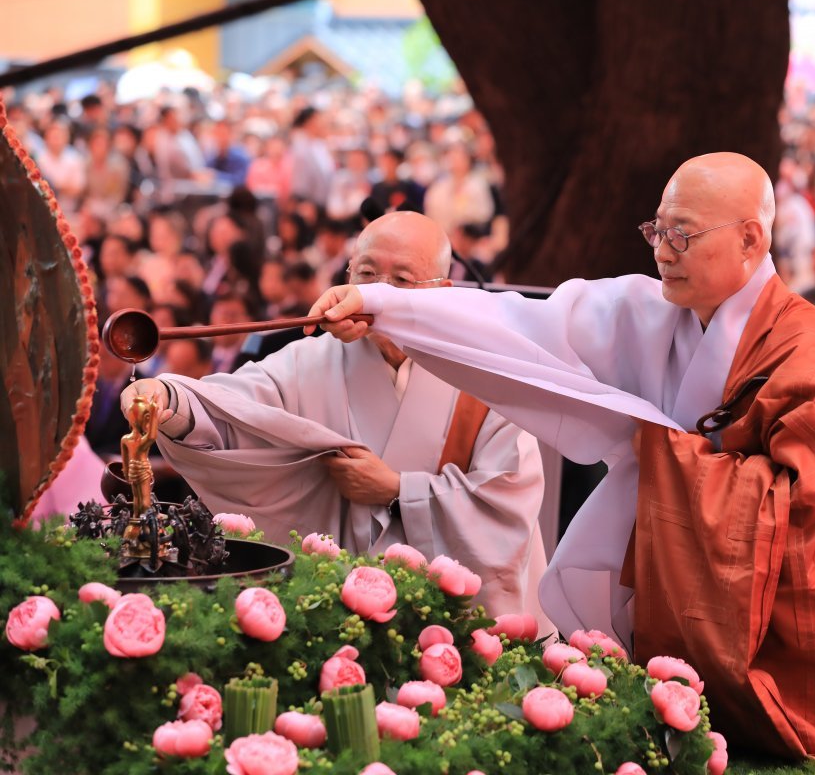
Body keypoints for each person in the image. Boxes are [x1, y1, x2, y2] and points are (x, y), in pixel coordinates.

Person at [308, 153, 815, 772]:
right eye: (657, 231)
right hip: (682, 601)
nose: (663, 251)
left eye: (682, 233)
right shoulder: (654, 314)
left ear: (750, 240)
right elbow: (522, 322)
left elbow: (814, 506)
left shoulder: (803, 347)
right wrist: (382, 305)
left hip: (798, 633)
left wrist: (666, 452)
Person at [119, 213, 547, 622]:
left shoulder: (484, 374)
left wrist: (398, 490)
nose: (378, 291)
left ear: (444, 290)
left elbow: (507, 499)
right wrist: (169, 398)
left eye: (401, 279)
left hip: (447, 615)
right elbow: (235, 411)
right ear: (346, 278)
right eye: (366, 273)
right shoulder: (312, 361)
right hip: (334, 600)